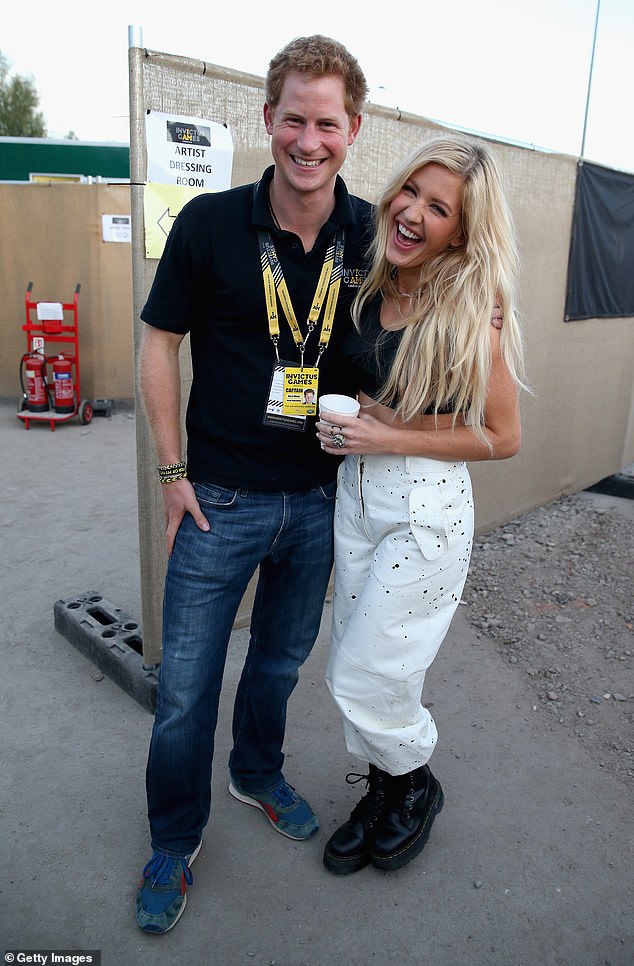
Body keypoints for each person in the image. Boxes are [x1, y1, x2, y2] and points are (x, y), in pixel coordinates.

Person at [135, 35, 372, 934]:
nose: (308, 141)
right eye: (293, 120)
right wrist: (171, 473)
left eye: (327, 122)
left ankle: (257, 772)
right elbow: (160, 341)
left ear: (353, 128)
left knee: (278, 660)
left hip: (318, 501)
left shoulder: (369, 235)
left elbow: (426, 315)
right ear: (267, 120)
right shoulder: (207, 223)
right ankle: (173, 836)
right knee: (187, 685)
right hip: (219, 499)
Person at [315, 133, 526, 875]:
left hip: (425, 506)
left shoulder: (475, 305)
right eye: (411, 191)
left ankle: (416, 783)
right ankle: (382, 787)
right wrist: (359, 427)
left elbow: (502, 436)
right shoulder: (372, 279)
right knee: (370, 660)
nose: (412, 212)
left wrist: (393, 433)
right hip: (357, 493)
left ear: (463, 232)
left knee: (361, 673)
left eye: (439, 208)